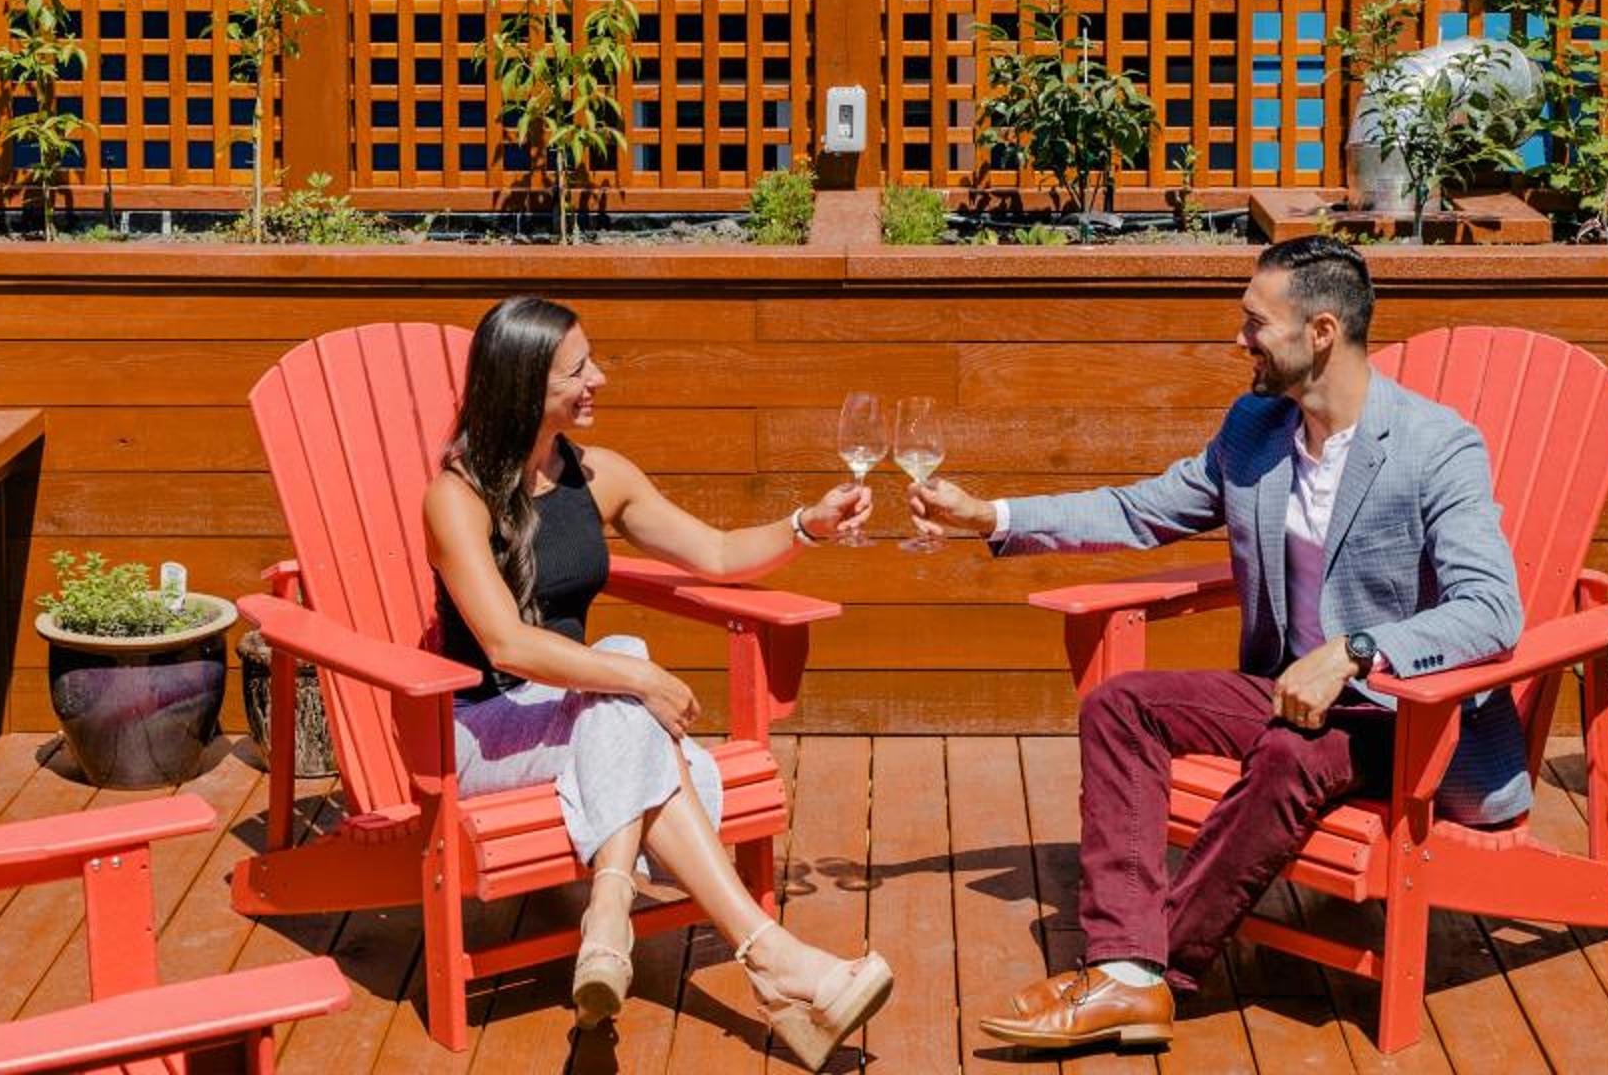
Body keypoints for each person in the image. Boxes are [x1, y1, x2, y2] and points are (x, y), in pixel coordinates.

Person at [907, 234, 1532, 1052]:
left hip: (1406, 717)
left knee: (1290, 754)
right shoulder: (1257, 428)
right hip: (1287, 694)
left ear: (1321, 332)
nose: (1239, 340)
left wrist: (1356, 650)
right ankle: (1127, 965)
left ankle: (1142, 978)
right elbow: (1142, 510)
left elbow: (1491, 609)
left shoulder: (1435, 446)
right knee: (1122, 706)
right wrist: (990, 516)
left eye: (1256, 324)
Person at [425, 294, 895, 1068]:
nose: (599, 380)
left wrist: (806, 525)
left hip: (579, 716)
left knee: (619, 688)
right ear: (524, 386)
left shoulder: (599, 474)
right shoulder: (457, 497)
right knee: (625, 671)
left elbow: (715, 553)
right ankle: (771, 961)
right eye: (578, 370)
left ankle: (612, 913)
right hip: (480, 731)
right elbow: (506, 644)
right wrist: (636, 675)